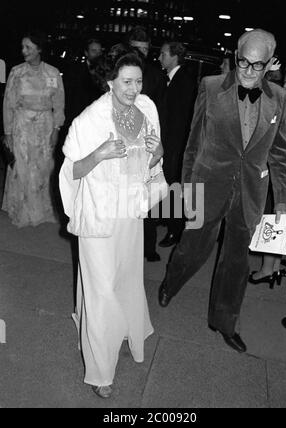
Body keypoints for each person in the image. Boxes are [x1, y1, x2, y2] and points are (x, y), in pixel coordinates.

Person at [158, 29, 286, 354]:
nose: (248, 70)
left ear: (271, 64)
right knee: (192, 248)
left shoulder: (278, 97)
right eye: (243, 61)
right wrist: (187, 190)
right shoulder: (211, 87)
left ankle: (224, 321)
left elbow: (280, 153)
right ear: (236, 56)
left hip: (249, 193)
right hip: (207, 184)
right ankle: (171, 280)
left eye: (257, 65)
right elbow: (192, 144)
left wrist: (284, 201)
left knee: (236, 263)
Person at [59, 47, 164, 398]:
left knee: (123, 279)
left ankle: (117, 330)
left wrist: (158, 151)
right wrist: (99, 154)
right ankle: (101, 370)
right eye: (126, 82)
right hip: (99, 216)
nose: (133, 89)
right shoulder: (88, 120)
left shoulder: (147, 107)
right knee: (101, 289)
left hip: (129, 214)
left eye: (138, 81)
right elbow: (70, 172)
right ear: (109, 81)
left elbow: (153, 158)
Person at [2, 30, 65, 227]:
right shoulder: (16, 72)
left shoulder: (53, 73)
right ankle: (21, 210)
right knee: (21, 167)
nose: (23, 51)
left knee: (44, 167)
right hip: (21, 125)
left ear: (39, 49)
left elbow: (59, 102)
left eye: (28, 47)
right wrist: (8, 132)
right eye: (23, 47)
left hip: (45, 126)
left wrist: (56, 128)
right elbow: (8, 103)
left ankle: (41, 211)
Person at [249, 66, 286, 289]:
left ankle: (269, 269)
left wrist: (279, 138)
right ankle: (272, 267)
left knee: (277, 220)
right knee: (277, 219)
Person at [127, 26, 167, 261]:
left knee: (145, 192)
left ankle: (146, 246)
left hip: (147, 141)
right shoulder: (127, 74)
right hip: (131, 140)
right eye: (136, 48)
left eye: (142, 49)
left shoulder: (155, 75)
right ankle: (138, 246)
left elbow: (161, 110)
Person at [158, 41, 197, 247]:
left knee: (174, 186)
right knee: (170, 185)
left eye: (163, 54)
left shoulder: (184, 81)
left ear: (174, 56)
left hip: (177, 145)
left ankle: (175, 230)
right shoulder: (173, 79)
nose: (159, 57)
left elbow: (181, 119)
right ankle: (169, 222)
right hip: (171, 143)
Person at [64, 39, 104, 127]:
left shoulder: (107, 72)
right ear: (86, 53)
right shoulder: (75, 71)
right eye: (94, 51)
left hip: (99, 119)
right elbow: (69, 96)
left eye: (99, 51)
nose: (98, 54)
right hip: (79, 117)